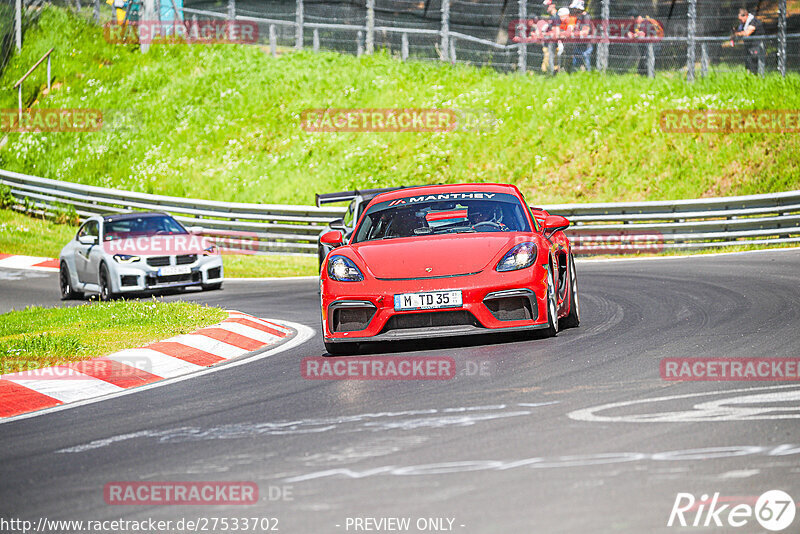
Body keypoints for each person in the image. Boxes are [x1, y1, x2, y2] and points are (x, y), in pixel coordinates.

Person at [734, 7, 765, 75]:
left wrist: (737, 34)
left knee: (757, 65)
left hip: (757, 46)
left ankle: (759, 79)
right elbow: (739, 31)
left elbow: (747, 33)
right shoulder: (743, 24)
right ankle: (749, 78)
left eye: (740, 19)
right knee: (748, 64)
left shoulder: (753, 21)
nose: (740, 21)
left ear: (745, 15)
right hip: (749, 47)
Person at [569, 0, 593, 72]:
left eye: (575, 9)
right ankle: (577, 75)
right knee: (576, 63)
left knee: (586, 61)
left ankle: (588, 76)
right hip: (578, 43)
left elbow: (585, 32)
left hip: (586, 45)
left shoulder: (586, 17)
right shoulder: (578, 18)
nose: (573, 11)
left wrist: (573, 34)